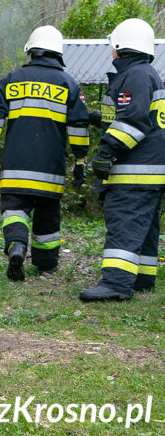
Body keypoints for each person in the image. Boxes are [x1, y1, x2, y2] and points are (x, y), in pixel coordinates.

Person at [0, 25, 89, 281]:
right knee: (47, 215)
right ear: (58, 53)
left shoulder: (11, 79)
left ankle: (16, 247)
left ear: (32, 50)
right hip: (51, 169)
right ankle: (46, 265)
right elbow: (78, 127)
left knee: (14, 210)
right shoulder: (69, 84)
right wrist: (81, 160)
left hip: (16, 165)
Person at [80, 18, 165, 302]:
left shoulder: (135, 76)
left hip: (134, 171)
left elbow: (133, 121)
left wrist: (107, 151)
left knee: (125, 221)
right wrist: (97, 118)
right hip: (152, 171)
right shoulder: (147, 73)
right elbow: (135, 115)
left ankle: (116, 283)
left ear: (119, 46)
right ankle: (142, 277)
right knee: (144, 225)